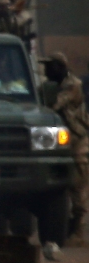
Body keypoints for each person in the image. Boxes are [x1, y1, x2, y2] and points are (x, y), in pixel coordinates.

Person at [42, 52, 89, 247]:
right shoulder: (55, 85)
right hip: (63, 140)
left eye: (50, 66)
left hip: (78, 141)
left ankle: (78, 230)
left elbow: (54, 105)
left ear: (60, 67)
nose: (46, 70)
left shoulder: (72, 85)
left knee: (78, 184)